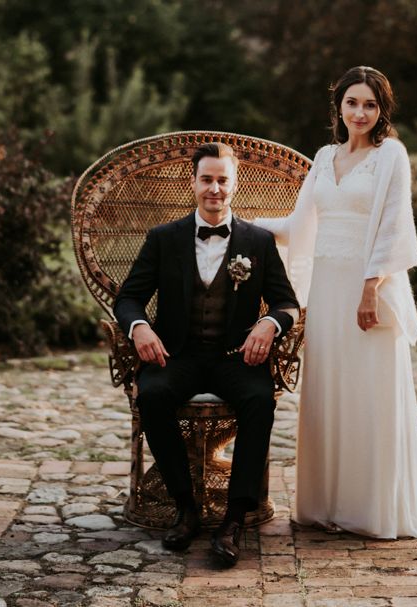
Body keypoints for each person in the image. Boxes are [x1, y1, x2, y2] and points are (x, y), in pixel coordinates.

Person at [254, 66, 417, 538]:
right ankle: (326, 503)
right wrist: (242, 223)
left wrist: (370, 288)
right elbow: (297, 225)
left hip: (367, 288)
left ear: (382, 109)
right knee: (329, 391)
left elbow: (394, 226)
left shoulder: (391, 155)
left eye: (370, 104)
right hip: (327, 291)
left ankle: (370, 508)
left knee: (368, 394)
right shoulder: (324, 157)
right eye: (353, 103)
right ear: (339, 107)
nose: (361, 112)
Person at [114, 142, 299, 564]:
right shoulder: (163, 238)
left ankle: (234, 519)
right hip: (176, 355)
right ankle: (185, 507)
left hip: (236, 358)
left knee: (258, 401)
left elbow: (287, 303)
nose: (214, 189)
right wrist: (139, 327)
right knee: (152, 395)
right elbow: (128, 298)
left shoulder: (258, 241)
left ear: (235, 184)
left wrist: (270, 325)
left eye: (222, 180)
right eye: (206, 180)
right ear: (192, 182)